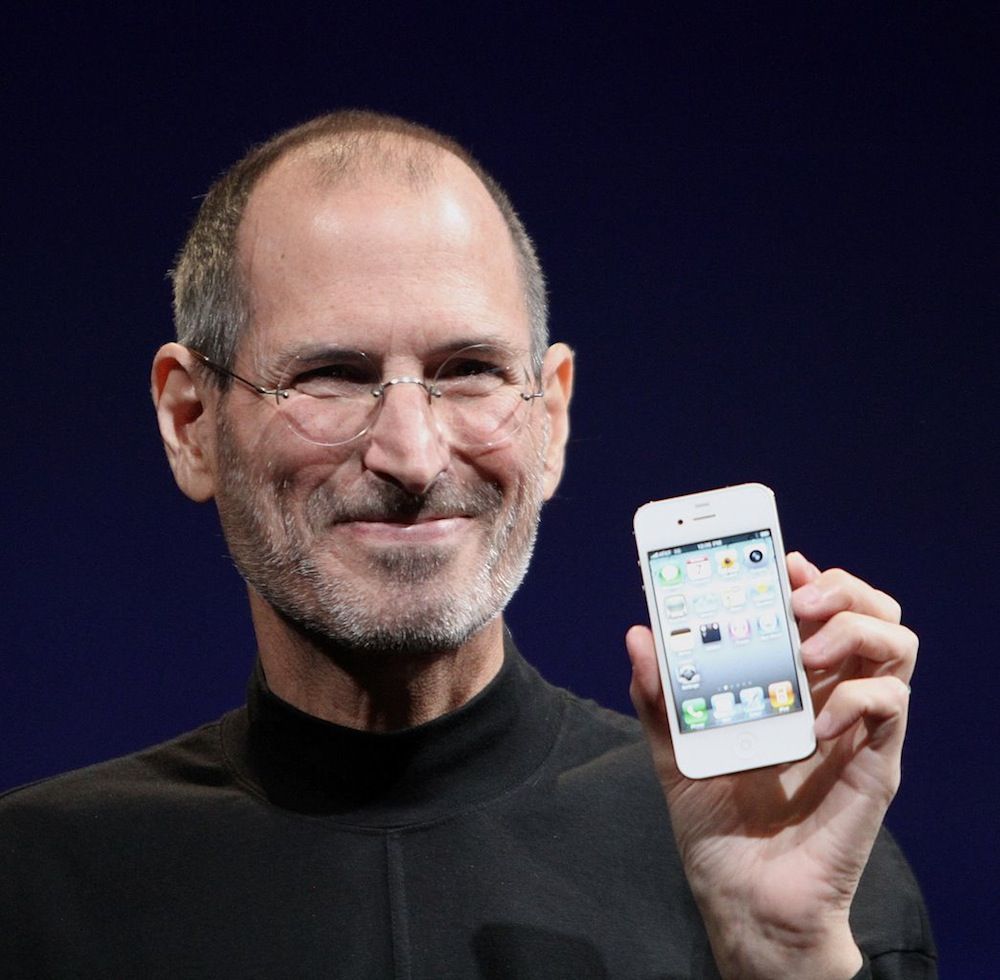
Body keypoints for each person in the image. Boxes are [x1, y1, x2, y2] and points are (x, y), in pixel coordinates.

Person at [0, 111, 935, 978]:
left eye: (471, 373)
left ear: (552, 416)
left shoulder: (796, 853)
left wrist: (784, 960)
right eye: (330, 375)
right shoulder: (37, 891)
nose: (411, 454)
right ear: (190, 420)